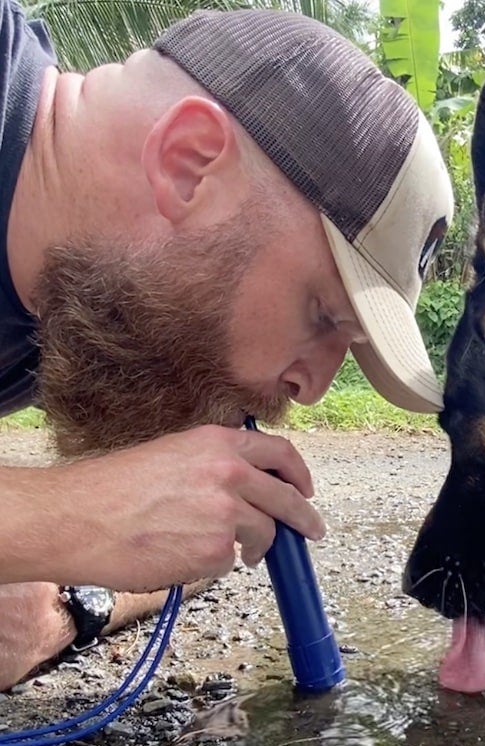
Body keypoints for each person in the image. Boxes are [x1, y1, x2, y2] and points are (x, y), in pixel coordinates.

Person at [0, 0, 454, 690]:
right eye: (325, 315)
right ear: (188, 165)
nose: (314, 388)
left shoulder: (62, 315)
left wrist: (69, 597)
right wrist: (63, 521)